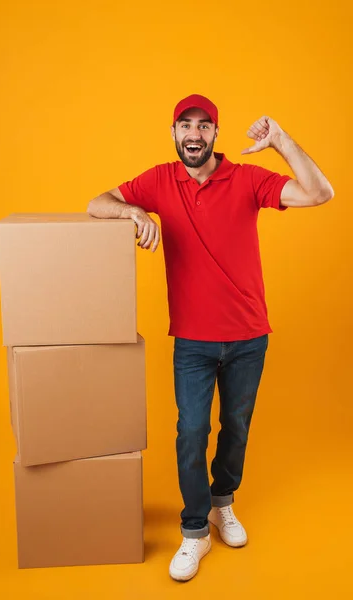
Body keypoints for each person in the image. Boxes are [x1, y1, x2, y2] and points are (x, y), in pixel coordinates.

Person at [87, 94, 334, 582]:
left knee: (236, 429)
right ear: (174, 132)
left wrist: (281, 140)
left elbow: (320, 192)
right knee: (192, 432)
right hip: (193, 343)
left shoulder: (245, 178)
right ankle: (195, 530)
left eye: (204, 126)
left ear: (216, 134)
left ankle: (224, 503)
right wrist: (134, 214)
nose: (195, 135)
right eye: (186, 125)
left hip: (248, 336)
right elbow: (97, 202)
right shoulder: (160, 180)